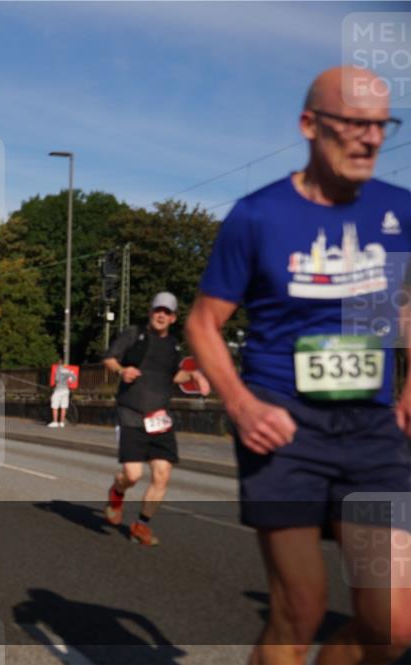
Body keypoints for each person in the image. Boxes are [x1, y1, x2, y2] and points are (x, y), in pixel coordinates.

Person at [185, 66, 411, 664]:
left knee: (391, 625)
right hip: (284, 427)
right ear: (310, 125)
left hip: (371, 431)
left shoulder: (398, 210)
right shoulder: (258, 216)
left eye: (381, 125)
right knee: (301, 607)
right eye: (354, 124)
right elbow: (203, 322)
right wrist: (240, 404)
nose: (370, 139)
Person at [102, 292, 209, 546]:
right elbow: (109, 358)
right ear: (151, 312)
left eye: (167, 312)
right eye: (157, 310)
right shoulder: (134, 334)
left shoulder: (172, 344)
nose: (161, 315)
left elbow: (174, 376)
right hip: (131, 413)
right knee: (133, 475)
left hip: (159, 418)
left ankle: (141, 526)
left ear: (173, 318)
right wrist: (121, 370)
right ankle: (117, 492)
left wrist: (193, 376)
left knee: (162, 475)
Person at [48, 359, 75, 428]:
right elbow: (74, 377)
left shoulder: (58, 369)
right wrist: (70, 382)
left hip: (58, 390)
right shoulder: (67, 369)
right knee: (63, 407)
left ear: (58, 363)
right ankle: (62, 422)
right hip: (66, 390)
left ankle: (55, 422)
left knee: (55, 406)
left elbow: (56, 379)